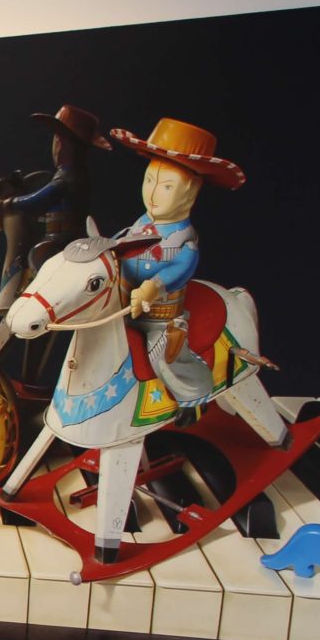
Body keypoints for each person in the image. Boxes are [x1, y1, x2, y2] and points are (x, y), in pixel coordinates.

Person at [105, 117, 247, 420]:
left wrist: (154, 286)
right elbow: (121, 242)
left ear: (191, 193)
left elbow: (181, 269)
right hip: (121, 303)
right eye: (149, 181)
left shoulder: (184, 240)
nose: (153, 193)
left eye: (167, 186)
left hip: (159, 315)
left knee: (165, 354)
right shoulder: (140, 224)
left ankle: (192, 396)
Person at [0, 105, 111, 278]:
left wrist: (10, 203)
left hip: (60, 237)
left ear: (63, 143)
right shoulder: (77, 175)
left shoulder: (67, 177)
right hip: (72, 234)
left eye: (57, 138)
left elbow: (42, 198)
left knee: (38, 255)